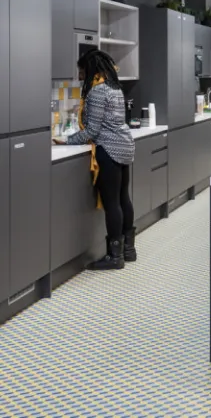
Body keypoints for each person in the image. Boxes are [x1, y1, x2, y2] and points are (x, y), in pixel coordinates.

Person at [56, 50, 136, 270]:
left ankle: (115, 257)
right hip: (124, 146)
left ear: (90, 69)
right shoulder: (114, 87)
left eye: (81, 71)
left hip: (109, 149)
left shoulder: (98, 92)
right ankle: (128, 250)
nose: (80, 76)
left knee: (112, 203)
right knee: (123, 198)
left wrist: (67, 140)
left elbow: (92, 130)